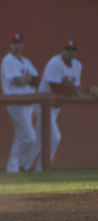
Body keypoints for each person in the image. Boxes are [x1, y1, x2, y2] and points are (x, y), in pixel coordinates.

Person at [28, 39, 82, 171]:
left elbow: (74, 88)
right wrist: (72, 90)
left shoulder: (77, 66)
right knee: (55, 137)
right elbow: (56, 89)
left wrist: (72, 90)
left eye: (73, 50)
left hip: (55, 108)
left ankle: (23, 166)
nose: (70, 52)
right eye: (67, 49)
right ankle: (41, 169)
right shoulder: (55, 63)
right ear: (62, 51)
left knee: (39, 140)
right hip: (42, 105)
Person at [1, 32, 40, 173]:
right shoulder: (8, 60)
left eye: (19, 43)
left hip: (28, 102)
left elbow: (36, 80)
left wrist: (27, 79)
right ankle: (21, 165)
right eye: (14, 43)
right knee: (30, 137)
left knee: (21, 136)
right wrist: (28, 79)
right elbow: (18, 81)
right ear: (10, 45)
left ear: (22, 44)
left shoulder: (26, 61)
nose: (17, 46)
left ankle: (12, 168)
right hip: (16, 102)